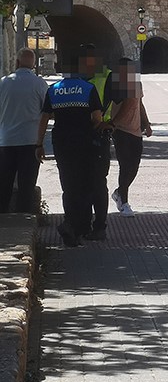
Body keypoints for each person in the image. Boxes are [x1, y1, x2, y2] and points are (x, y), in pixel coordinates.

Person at [37, 53, 104, 247]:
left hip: (62, 143)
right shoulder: (89, 88)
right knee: (85, 185)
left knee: (68, 184)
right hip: (85, 143)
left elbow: (44, 119)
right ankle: (79, 227)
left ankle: (70, 222)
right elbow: (97, 119)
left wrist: (38, 144)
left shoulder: (54, 90)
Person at [0, 49, 50, 212]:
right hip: (30, 141)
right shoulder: (39, 84)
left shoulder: (4, 83)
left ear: (17, 63)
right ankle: (23, 218)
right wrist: (40, 143)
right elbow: (47, 111)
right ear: (34, 65)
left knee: (4, 184)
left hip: (6, 141)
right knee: (26, 185)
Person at [108, 58, 152, 216]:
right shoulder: (117, 85)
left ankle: (119, 192)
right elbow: (124, 107)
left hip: (135, 130)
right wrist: (113, 124)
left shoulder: (136, 84)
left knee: (134, 167)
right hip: (120, 131)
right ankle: (124, 202)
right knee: (125, 166)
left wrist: (146, 123)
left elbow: (139, 104)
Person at [79, 44, 113, 239]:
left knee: (98, 183)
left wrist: (111, 124)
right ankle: (84, 224)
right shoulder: (79, 79)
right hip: (80, 135)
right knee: (82, 183)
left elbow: (120, 102)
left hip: (99, 135)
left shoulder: (108, 77)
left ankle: (99, 226)